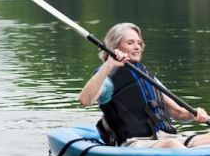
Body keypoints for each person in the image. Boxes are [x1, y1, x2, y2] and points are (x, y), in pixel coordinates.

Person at [78, 22, 210, 148]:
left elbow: (178, 113)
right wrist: (109, 64)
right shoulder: (108, 78)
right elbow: (84, 100)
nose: (137, 47)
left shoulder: (147, 77)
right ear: (114, 47)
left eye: (139, 43)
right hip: (135, 143)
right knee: (171, 145)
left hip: (165, 137)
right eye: (130, 43)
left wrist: (195, 114)